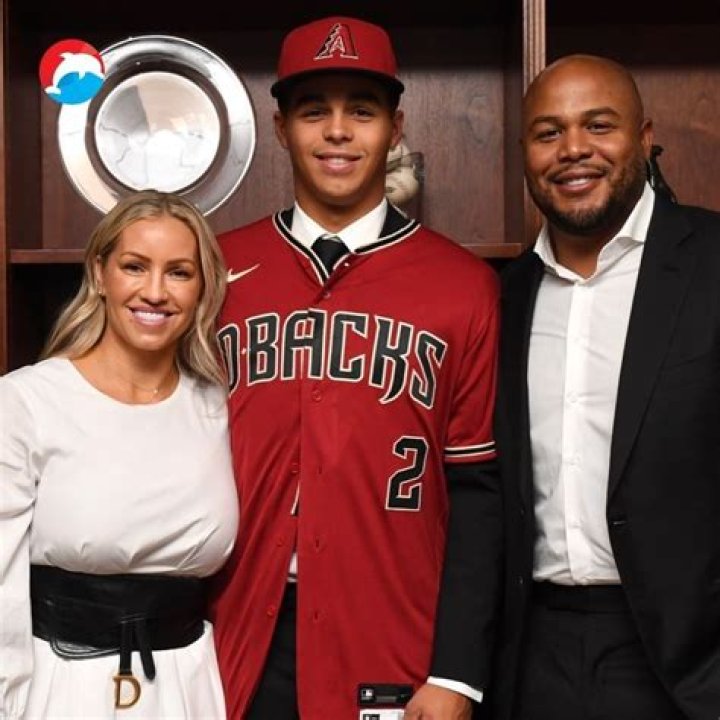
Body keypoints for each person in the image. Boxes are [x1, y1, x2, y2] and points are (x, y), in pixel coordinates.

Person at [210, 15, 502, 720]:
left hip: (392, 634)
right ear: (281, 129)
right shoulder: (215, 268)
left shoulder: (465, 284)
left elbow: (479, 492)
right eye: (314, 111)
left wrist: (457, 674)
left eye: (362, 111)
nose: (338, 131)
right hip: (231, 629)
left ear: (395, 128)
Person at [492, 53, 720, 720]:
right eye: (548, 132)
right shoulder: (504, 297)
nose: (573, 150)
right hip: (534, 657)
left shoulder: (711, 261)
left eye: (598, 125)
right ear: (525, 153)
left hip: (691, 666)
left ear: (644, 138)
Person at [0, 190, 239, 718]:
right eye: (135, 266)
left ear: (202, 288)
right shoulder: (25, 401)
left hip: (189, 685)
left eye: (179, 273)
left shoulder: (218, 407)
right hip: (62, 686)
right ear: (99, 273)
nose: (155, 292)